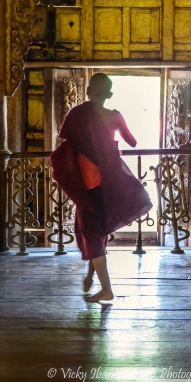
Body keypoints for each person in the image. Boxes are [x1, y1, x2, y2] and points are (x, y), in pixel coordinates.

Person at [51, 73, 152, 302]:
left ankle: (106, 289)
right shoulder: (114, 116)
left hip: (87, 183)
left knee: (90, 231)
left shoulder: (77, 113)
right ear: (110, 94)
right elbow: (132, 141)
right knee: (97, 230)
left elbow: (65, 138)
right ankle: (91, 277)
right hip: (110, 181)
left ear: (87, 92)